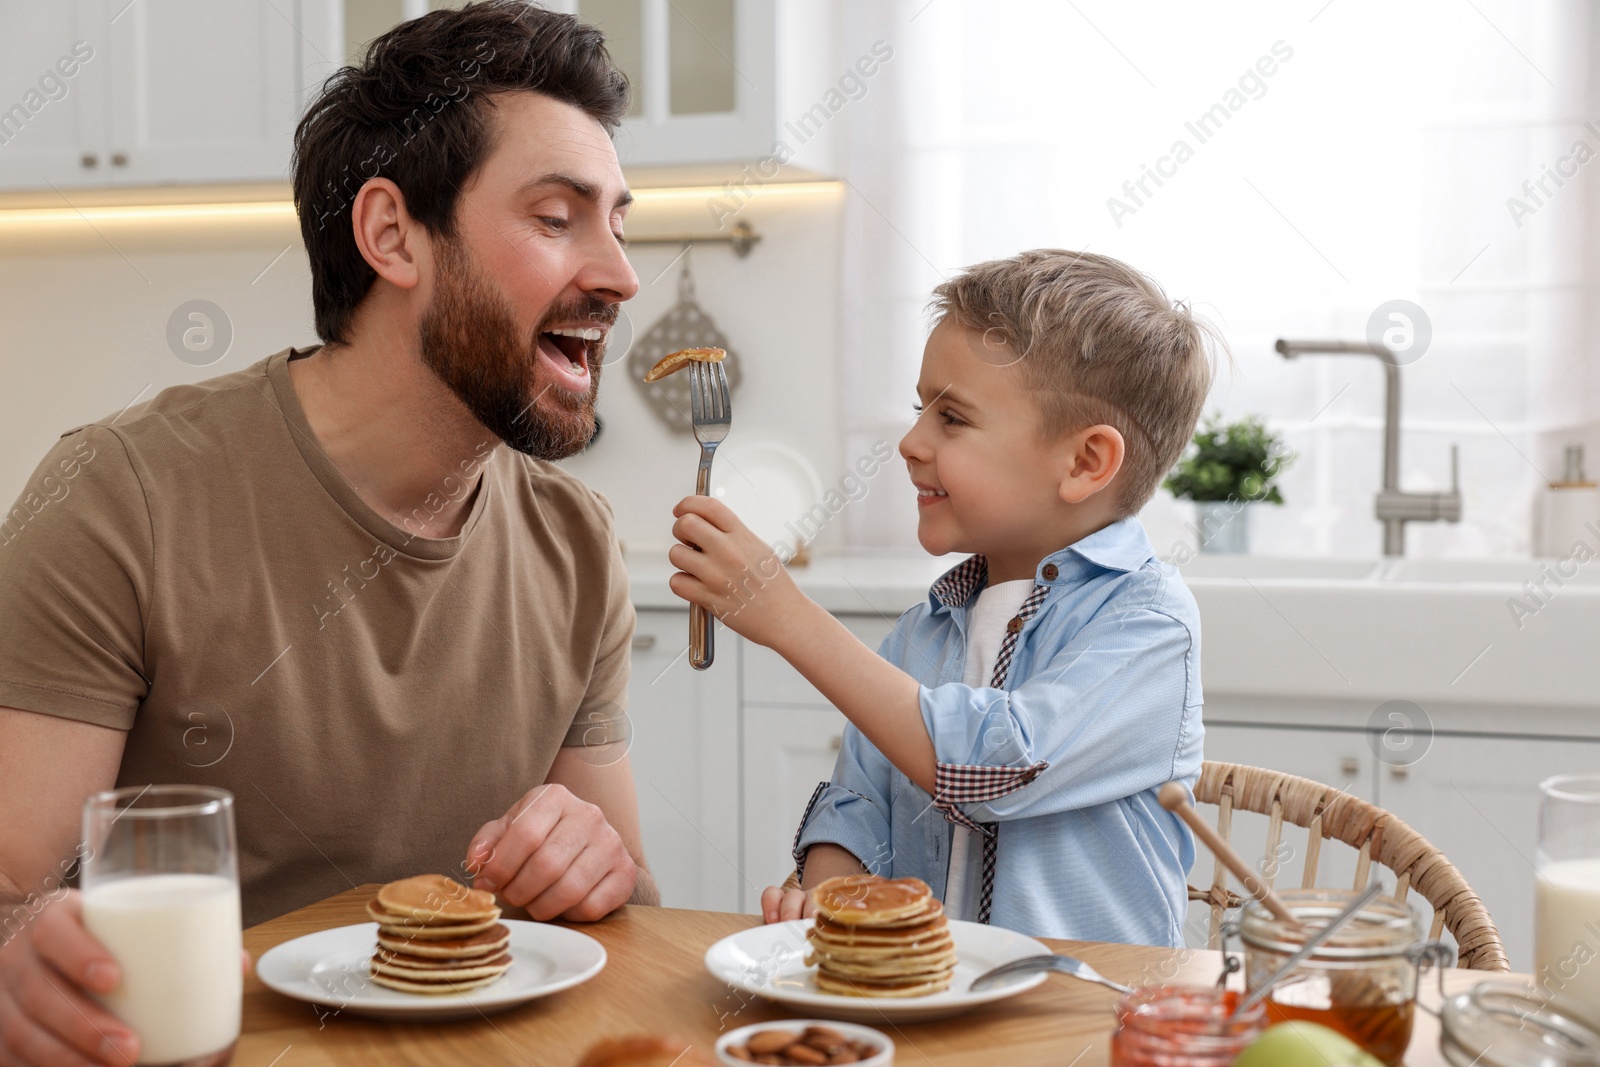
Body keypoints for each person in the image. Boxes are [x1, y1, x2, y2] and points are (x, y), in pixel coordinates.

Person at [0, 5, 658, 1065]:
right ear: (392, 234)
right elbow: (8, 896)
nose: (621, 273)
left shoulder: (575, 545)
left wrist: (595, 862)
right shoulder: (116, 497)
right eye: (556, 218)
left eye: (618, 221)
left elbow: (619, 908)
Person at [669, 250, 1216, 945]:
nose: (910, 440)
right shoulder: (922, 632)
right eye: (919, 407)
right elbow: (859, 801)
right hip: (927, 1008)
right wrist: (830, 887)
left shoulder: (1148, 623)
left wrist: (789, 618)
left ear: (1084, 463)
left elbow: (999, 765)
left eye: (951, 418)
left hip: (1082, 1021)